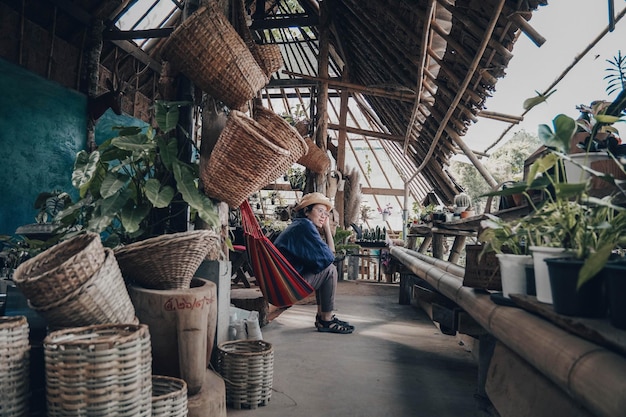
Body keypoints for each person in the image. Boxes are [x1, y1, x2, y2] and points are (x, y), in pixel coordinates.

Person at [274, 192, 354, 334]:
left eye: (326, 213)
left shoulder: (300, 225)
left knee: (325, 268)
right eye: (320, 211)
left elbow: (325, 257)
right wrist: (327, 229)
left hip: (283, 282)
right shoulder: (305, 227)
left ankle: (323, 317)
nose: (324, 216)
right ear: (306, 211)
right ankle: (326, 320)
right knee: (330, 270)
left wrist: (326, 227)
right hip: (287, 287)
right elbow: (330, 257)